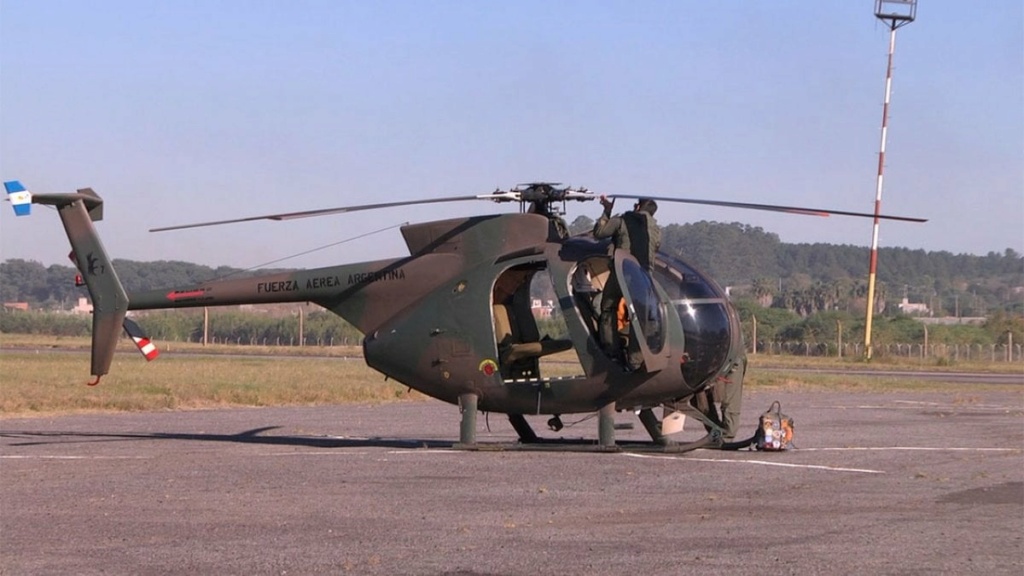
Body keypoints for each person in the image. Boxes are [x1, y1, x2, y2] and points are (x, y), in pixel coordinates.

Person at [592, 196, 660, 366]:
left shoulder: (622, 220)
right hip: (644, 277)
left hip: (622, 272)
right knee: (641, 316)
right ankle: (636, 359)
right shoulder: (656, 229)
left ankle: (611, 352)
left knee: (608, 307)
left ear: (638, 206)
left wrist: (607, 210)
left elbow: (599, 233)